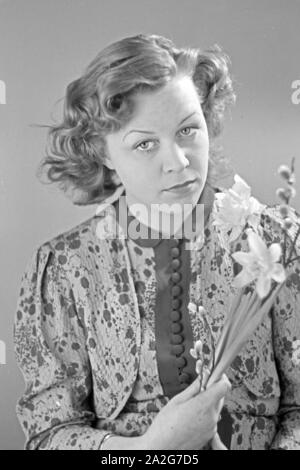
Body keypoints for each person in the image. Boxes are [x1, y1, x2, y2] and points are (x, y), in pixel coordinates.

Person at [14, 33, 300, 450]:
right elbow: (48, 433)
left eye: (188, 130)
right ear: (103, 153)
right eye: (145, 144)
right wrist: (152, 450)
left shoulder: (278, 242)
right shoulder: (63, 269)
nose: (179, 162)